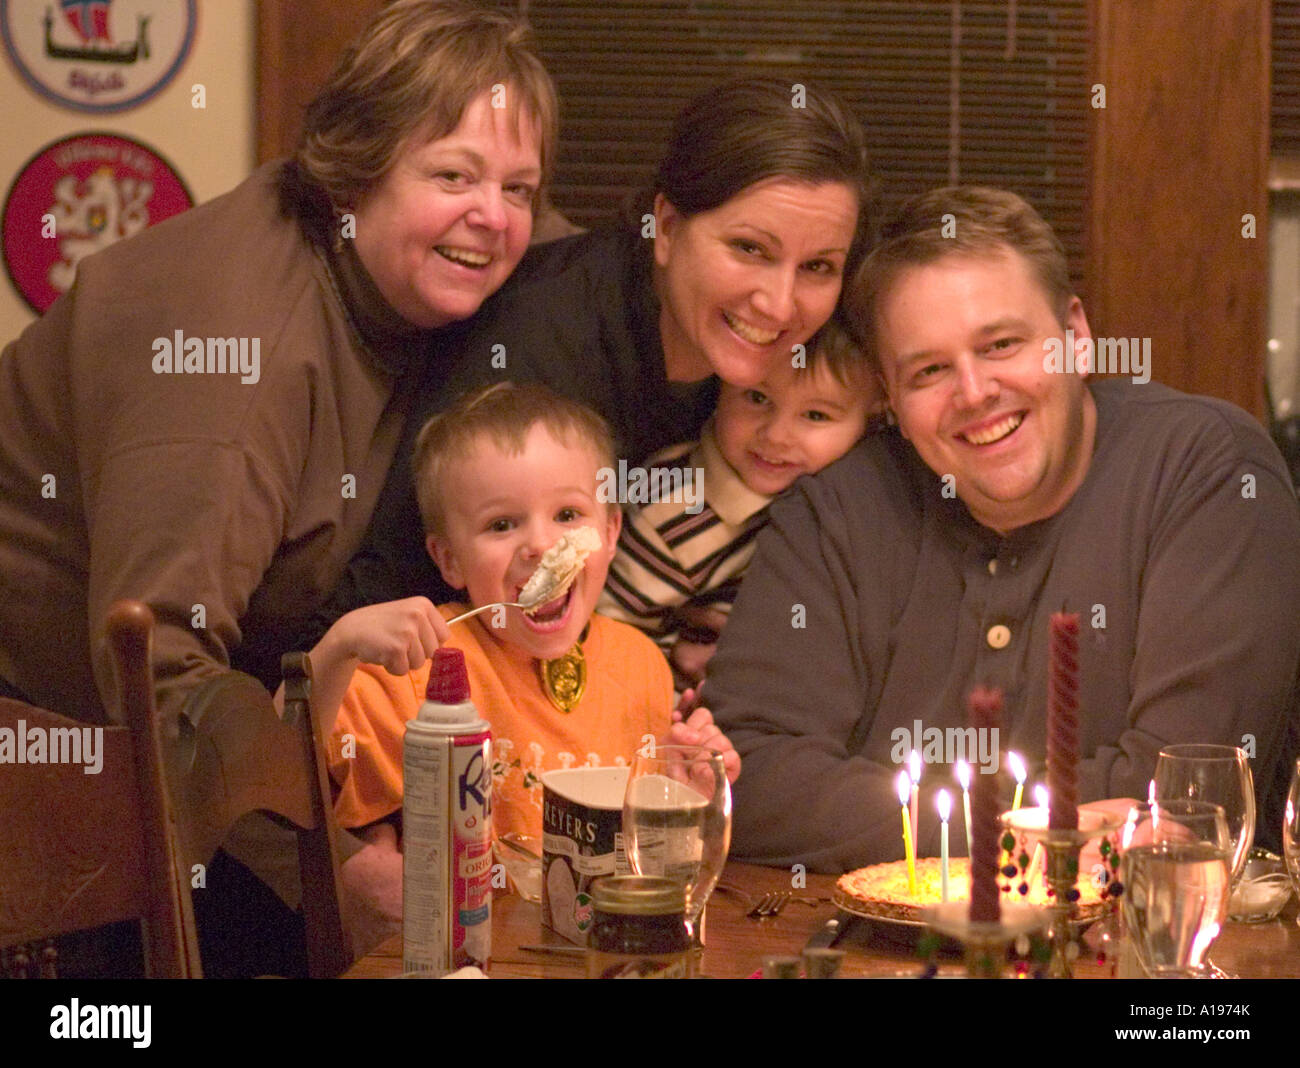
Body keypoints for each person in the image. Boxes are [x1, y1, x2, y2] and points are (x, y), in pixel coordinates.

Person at [0, 0, 556, 975]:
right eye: (454, 175)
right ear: (359, 169)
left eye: (519, 186)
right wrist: (334, 873)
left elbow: (567, 256)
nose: (496, 217)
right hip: (50, 758)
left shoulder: (391, 265)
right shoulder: (232, 359)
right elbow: (159, 679)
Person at [708, 185, 1300, 871]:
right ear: (890, 399)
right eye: (929, 370)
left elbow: (1190, 793)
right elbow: (745, 777)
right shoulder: (839, 505)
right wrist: (1044, 831)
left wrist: (878, 813)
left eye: (1001, 345)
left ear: (1075, 337)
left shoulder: (1209, 471)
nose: (975, 391)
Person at [301, 78, 876, 653]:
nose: (779, 304)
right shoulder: (537, 353)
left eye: (818, 267)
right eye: (750, 249)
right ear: (668, 229)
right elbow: (393, 603)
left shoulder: (780, 370)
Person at [304, 383, 739, 950]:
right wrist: (335, 651)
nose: (539, 543)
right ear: (450, 559)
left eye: (566, 514)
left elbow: (654, 870)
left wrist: (687, 794)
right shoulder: (422, 662)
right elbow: (278, 770)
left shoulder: (642, 666)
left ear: (609, 533)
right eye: (502, 525)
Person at [597, 318, 879, 688]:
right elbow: (610, 641)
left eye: (815, 415)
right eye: (757, 398)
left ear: (872, 420)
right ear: (721, 388)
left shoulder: (853, 501)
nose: (776, 435)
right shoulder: (672, 510)